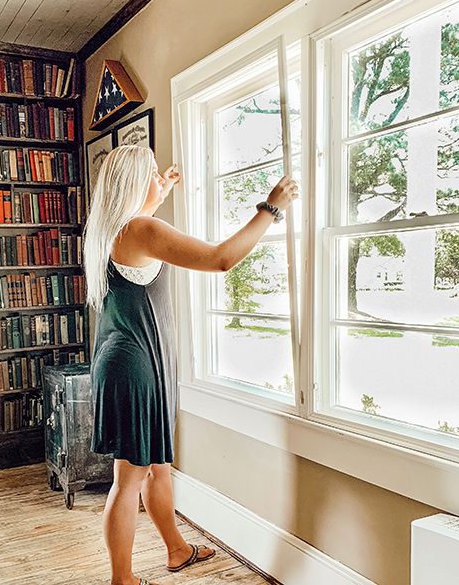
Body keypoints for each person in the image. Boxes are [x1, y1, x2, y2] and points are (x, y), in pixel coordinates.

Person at [83, 144, 299, 585]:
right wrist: (270, 209)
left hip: (124, 358)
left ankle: (177, 549)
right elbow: (221, 258)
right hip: (136, 365)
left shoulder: (106, 230)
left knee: (156, 466)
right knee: (128, 480)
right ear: (134, 184)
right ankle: (121, 579)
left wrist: (158, 191)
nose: (158, 181)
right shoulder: (142, 228)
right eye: (151, 175)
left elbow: (144, 247)